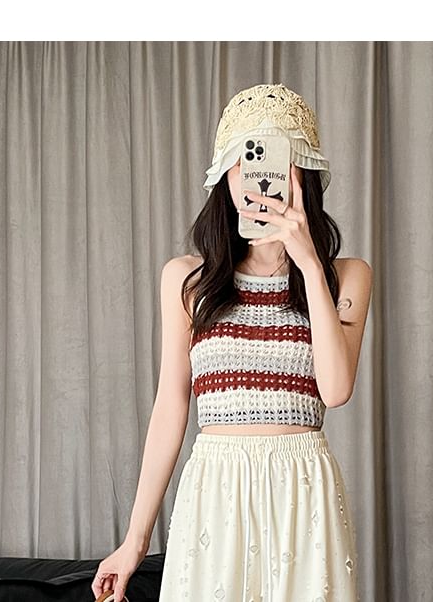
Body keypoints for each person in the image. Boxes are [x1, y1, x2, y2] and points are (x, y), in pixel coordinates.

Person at [92, 82, 372, 602]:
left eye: (278, 162)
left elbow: (335, 391)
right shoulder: (187, 280)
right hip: (214, 491)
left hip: (303, 493)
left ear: (304, 175)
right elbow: (170, 407)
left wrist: (310, 265)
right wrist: (135, 541)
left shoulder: (346, 276)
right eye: (245, 162)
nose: (260, 180)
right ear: (224, 176)